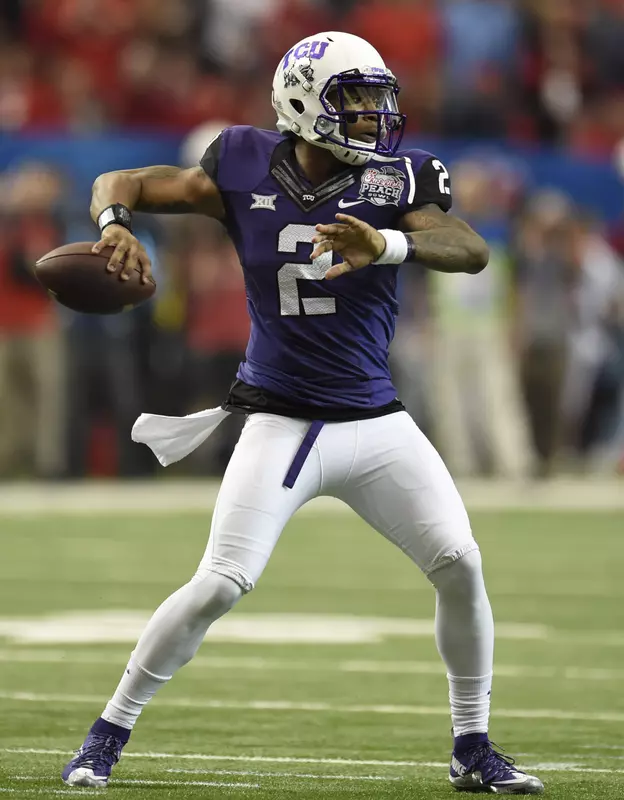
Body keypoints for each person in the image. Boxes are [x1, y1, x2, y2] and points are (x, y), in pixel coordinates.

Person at [62, 31, 543, 794]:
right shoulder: (242, 160)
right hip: (281, 421)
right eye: (354, 101)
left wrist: (385, 245)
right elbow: (122, 178)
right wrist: (115, 223)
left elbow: (468, 249)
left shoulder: (400, 178)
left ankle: (471, 744)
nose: (372, 117)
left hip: (375, 422)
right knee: (220, 582)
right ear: (302, 101)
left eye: (378, 99)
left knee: (460, 565)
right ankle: (105, 735)